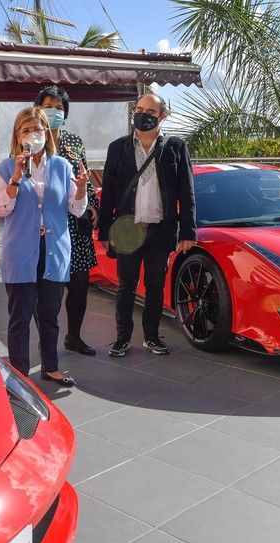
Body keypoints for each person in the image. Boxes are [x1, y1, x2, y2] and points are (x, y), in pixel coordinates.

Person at [0, 107, 87, 387]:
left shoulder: (62, 166)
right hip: (21, 252)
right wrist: (16, 178)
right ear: (17, 135)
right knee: (19, 317)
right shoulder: (7, 167)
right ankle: (20, 376)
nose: (32, 135)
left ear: (47, 133)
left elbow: (77, 209)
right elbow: (0, 208)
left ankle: (51, 367)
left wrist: (81, 189)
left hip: (54, 251)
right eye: (26, 130)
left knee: (49, 315)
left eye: (37, 129)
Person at [98, 92, 196, 357]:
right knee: (125, 286)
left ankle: (152, 337)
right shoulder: (118, 147)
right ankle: (122, 338)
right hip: (128, 229)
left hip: (160, 231)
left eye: (150, 112)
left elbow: (187, 192)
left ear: (162, 116)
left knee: (155, 287)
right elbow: (108, 192)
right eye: (139, 109)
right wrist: (105, 232)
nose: (142, 115)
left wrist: (188, 230)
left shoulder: (176, 148)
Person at [35, 85, 100, 356]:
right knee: (48, 290)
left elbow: (84, 176)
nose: (54, 112)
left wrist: (93, 206)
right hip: (46, 226)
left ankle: (74, 336)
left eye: (59, 108)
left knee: (79, 285)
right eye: (49, 107)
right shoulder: (31, 141)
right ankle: (46, 342)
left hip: (76, 225)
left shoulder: (74, 141)